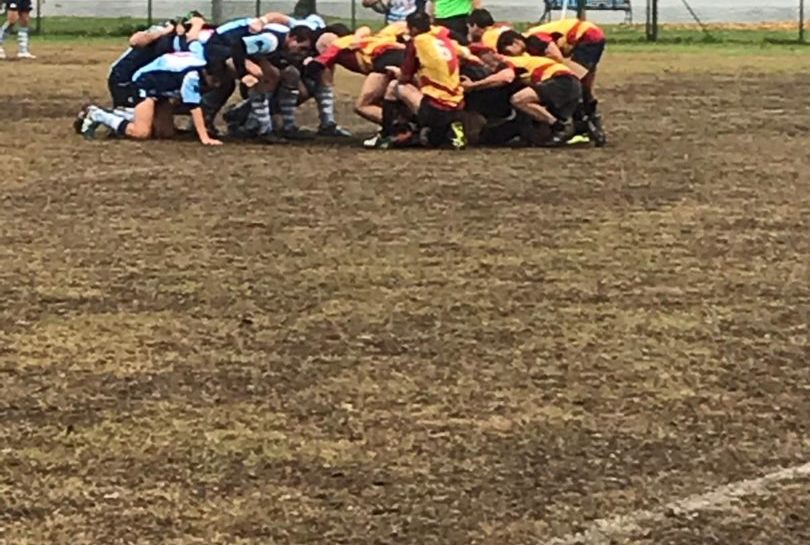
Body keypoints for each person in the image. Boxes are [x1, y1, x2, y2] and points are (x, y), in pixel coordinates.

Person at [376, 11, 475, 149]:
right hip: (458, 104)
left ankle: (386, 135)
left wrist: (396, 71)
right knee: (431, 141)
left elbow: (405, 77)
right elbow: (467, 54)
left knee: (394, 87)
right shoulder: (444, 40)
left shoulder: (417, 42)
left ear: (414, 29)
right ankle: (450, 130)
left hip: (437, 107)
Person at [77, 52, 222, 146]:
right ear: (206, 73)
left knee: (165, 133)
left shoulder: (201, 65)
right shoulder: (193, 76)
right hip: (145, 84)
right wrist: (204, 138)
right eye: (214, 80)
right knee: (141, 133)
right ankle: (97, 114)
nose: (217, 85)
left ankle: (120, 115)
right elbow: (194, 108)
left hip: (162, 90)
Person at [306, 24, 406, 128]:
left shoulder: (341, 43)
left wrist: (309, 63)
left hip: (384, 60)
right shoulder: (373, 38)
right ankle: (404, 123)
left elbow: (321, 61)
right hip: (401, 59)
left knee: (363, 106)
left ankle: (401, 127)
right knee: (387, 98)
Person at [496, 30, 583, 146]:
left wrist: (473, 85)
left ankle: (560, 127)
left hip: (561, 80)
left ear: (516, 42)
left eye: (508, 52)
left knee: (518, 99)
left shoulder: (510, 60)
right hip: (568, 81)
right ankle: (580, 125)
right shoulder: (529, 57)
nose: (509, 55)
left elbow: (506, 77)